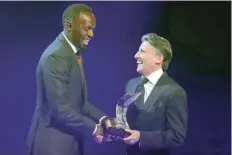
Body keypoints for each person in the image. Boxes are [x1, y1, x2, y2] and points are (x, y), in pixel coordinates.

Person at [26, 3, 112, 155]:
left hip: (68, 144)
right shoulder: (57, 55)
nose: (91, 34)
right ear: (69, 26)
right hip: (53, 145)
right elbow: (60, 109)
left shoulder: (71, 53)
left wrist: (104, 119)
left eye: (92, 29)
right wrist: (94, 128)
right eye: (87, 28)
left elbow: (78, 104)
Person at [123, 33, 188, 155]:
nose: (135, 56)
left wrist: (141, 137)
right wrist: (111, 128)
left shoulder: (174, 92)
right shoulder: (131, 84)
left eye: (142, 52)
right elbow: (127, 120)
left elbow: (176, 136)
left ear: (159, 58)